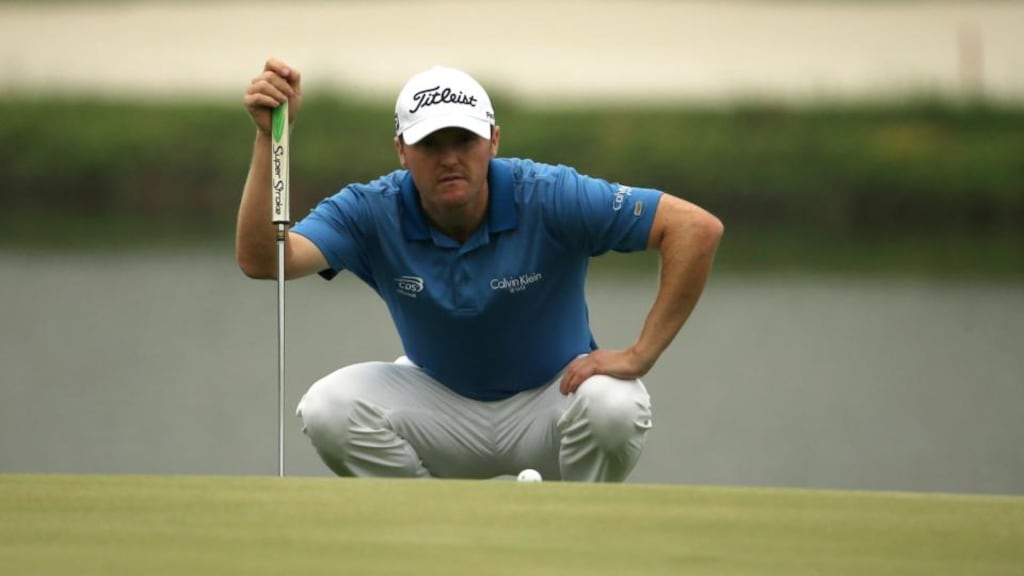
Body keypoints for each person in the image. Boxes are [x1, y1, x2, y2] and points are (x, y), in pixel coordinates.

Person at [238, 58, 723, 482]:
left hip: (553, 401)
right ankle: (432, 537)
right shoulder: (371, 210)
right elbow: (265, 260)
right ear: (402, 150)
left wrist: (641, 353)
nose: (449, 158)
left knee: (615, 407)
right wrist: (268, 138)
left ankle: (577, 534)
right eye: (430, 143)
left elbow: (693, 228)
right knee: (329, 408)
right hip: (437, 405)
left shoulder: (550, 194)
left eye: (464, 139)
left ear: (493, 140)